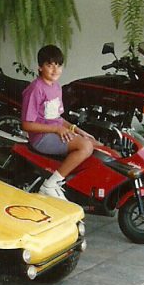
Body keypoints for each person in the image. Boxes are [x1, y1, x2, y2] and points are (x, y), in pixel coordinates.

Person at [21, 44, 96, 200]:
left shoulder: (56, 87)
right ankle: (50, 184)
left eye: (59, 65)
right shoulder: (36, 89)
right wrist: (56, 129)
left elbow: (57, 118)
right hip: (41, 138)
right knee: (85, 146)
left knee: (96, 143)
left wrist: (77, 130)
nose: (55, 70)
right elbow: (26, 125)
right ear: (40, 67)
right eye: (50, 65)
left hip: (55, 133)